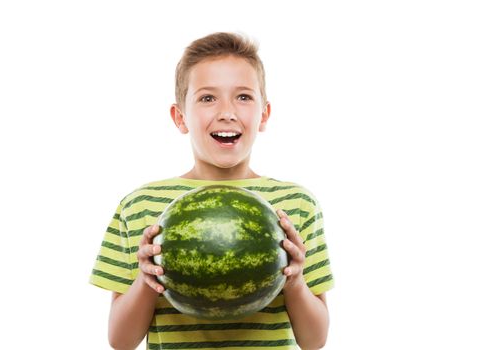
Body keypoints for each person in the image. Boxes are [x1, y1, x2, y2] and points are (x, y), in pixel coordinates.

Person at [90, 32, 334, 350]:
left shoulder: (297, 205)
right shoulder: (140, 205)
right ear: (180, 117)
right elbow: (120, 341)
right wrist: (147, 279)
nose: (226, 112)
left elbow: (315, 341)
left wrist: (295, 281)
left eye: (243, 97)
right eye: (208, 98)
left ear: (264, 114)